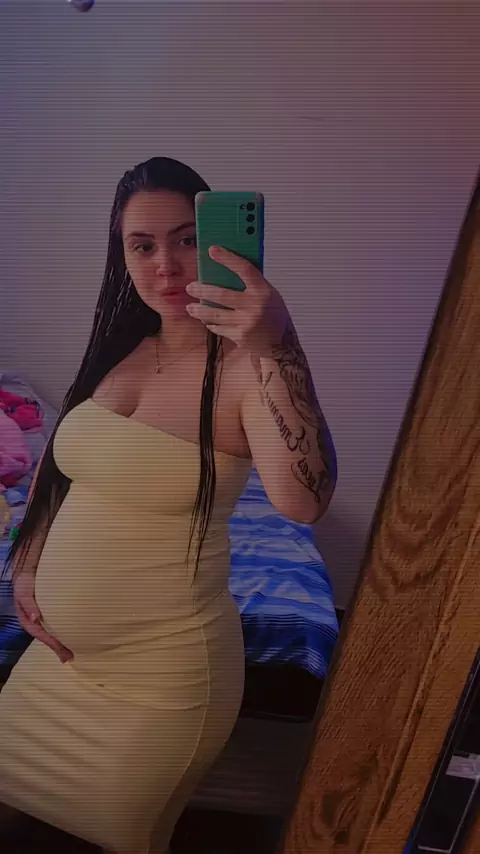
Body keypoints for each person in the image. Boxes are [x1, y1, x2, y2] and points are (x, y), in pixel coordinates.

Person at [0, 157, 337, 854]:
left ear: (218, 243)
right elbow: (62, 471)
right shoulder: (121, 348)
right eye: (142, 245)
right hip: (57, 665)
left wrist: (277, 343)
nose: (166, 266)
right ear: (121, 256)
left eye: (187, 239)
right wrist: (27, 561)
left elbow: (303, 501)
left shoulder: (247, 367)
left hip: (162, 681)